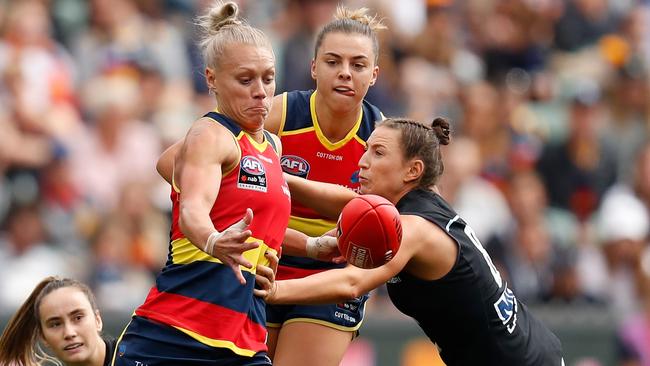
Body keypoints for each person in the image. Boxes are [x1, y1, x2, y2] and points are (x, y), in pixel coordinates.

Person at [157, 6, 386, 366]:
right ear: (313, 68)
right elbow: (170, 162)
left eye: (357, 65)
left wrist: (277, 181)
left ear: (374, 75)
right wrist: (230, 181)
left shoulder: (381, 134)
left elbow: (382, 214)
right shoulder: (278, 110)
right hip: (267, 261)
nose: (344, 73)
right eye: (332, 62)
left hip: (330, 268)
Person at [256, 117, 565, 366]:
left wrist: (275, 290)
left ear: (413, 171)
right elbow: (344, 201)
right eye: (366, 150)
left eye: (378, 153)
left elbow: (352, 283)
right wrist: (276, 177)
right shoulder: (417, 200)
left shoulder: (415, 228)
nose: (362, 162)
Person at [112, 2, 291, 365]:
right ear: (211, 79)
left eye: (268, 78)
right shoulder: (210, 135)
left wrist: (316, 246)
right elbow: (193, 209)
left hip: (244, 340)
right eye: (245, 79)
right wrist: (212, 239)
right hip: (173, 336)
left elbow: (167, 164)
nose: (260, 91)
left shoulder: (272, 145)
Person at [0, 276, 115, 366]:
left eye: (78, 318)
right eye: (55, 324)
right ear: (43, 337)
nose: (69, 333)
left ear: (97, 320)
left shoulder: (132, 352)